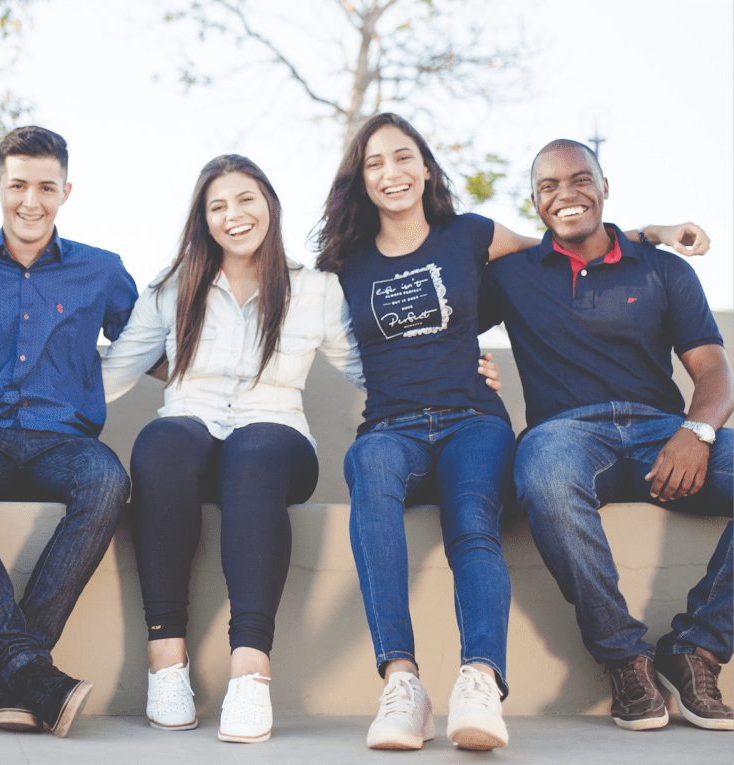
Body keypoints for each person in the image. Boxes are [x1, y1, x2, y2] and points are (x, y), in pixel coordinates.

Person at [313, 113, 705, 751]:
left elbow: (566, 243)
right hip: (390, 425)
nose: (392, 173)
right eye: (375, 163)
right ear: (359, 179)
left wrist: (652, 233)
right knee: (371, 476)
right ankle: (402, 683)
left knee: (472, 522)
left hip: (473, 418)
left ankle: (479, 681)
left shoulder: (470, 235)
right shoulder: (341, 263)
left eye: (404, 157)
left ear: (426, 168)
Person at [100, 154, 390, 743]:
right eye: (218, 206)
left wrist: (456, 375)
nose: (234, 215)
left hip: (276, 442)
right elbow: (115, 371)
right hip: (190, 438)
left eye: (246, 199)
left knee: (254, 454)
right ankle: (167, 662)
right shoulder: (173, 287)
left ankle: (250, 672)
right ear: (204, 220)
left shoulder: (315, 290)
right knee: (160, 442)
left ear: (270, 205)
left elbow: (371, 369)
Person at [480, 139, 732, 733]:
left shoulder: (664, 268)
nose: (565, 195)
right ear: (535, 202)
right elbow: (443, 278)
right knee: (542, 474)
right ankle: (624, 658)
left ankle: (697, 649)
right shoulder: (511, 275)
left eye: (579, 180)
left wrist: (696, 432)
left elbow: (715, 371)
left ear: (604, 186)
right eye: (548, 187)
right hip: (564, 436)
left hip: (663, 435)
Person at [0, 126, 138, 737]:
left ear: (67, 191)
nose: (31, 201)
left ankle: (9, 672)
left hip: (65, 442)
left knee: (107, 481)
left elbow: (156, 341)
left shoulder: (102, 270)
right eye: (18, 185)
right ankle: (32, 671)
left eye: (46, 186)